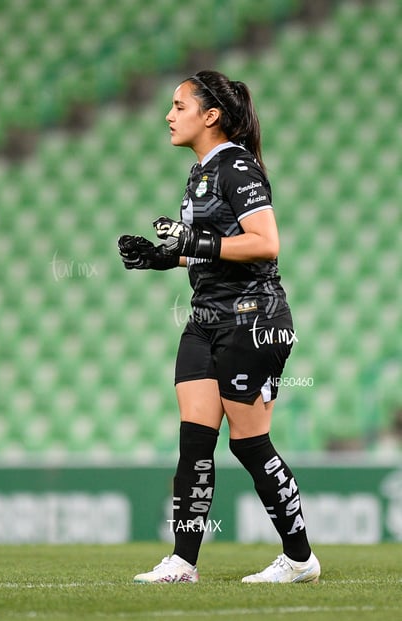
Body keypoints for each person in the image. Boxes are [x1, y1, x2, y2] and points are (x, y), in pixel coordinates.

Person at [118, 69, 321, 584]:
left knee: (248, 444)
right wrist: (169, 258)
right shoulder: (200, 172)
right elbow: (217, 251)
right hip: (206, 317)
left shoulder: (237, 167)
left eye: (179, 106)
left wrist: (198, 243)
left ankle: (300, 559)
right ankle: (183, 561)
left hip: (253, 318)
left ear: (210, 116)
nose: (168, 115)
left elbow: (266, 242)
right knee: (194, 440)